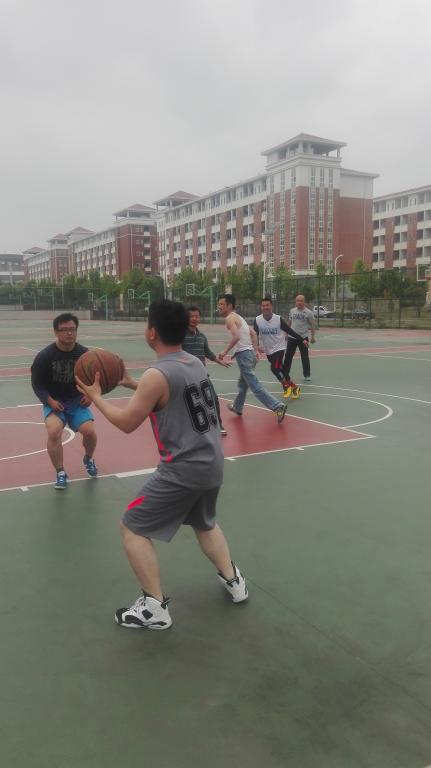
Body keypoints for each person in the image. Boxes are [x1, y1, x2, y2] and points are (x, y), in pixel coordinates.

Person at [76, 299, 247, 631]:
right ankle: (234, 580)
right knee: (205, 523)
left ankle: (154, 607)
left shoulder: (157, 374)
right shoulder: (193, 363)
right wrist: (130, 383)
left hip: (182, 469)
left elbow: (127, 423)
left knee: (132, 527)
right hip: (212, 462)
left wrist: (96, 396)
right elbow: (168, 392)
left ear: (152, 332)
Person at [31, 312, 98, 490]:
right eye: (64, 330)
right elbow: (37, 385)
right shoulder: (45, 356)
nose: (69, 333)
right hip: (54, 402)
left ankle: (88, 458)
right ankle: (60, 472)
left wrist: (90, 396)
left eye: (73, 329)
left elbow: (94, 380)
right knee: (54, 432)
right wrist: (49, 400)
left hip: (77, 401)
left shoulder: (85, 354)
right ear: (56, 332)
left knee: (90, 432)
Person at [217, 294, 287, 423]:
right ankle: (237, 407)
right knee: (243, 384)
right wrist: (255, 351)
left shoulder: (230, 319)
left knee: (254, 385)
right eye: (219, 304)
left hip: (244, 356)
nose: (219, 306)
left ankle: (278, 406)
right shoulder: (239, 317)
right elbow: (253, 333)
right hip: (248, 354)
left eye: (221, 304)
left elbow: (236, 337)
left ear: (229, 305)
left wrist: (224, 351)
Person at [182, 305, 230, 436]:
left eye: (197, 316)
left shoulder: (202, 336)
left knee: (213, 399)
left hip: (202, 375)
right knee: (185, 403)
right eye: (191, 316)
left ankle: (218, 425)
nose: (194, 318)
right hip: (185, 376)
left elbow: (207, 352)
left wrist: (219, 361)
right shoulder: (180, 336)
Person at [254, 297, 308, 400]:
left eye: (267, 305)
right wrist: (256, 346)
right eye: (263, 305)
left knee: (274, 368)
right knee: (281, 370)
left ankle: (286, 386)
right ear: (261, 307)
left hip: (279, 348)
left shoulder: (278, 319)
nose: (265, 307)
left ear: (271, 306)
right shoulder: (257, 320)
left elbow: (289, 330)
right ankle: (295, 387)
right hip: (268, 350)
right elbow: (255, 334)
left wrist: (302, 340)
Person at [285, 294, 316, 382]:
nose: (299, 302)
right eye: (297, 301)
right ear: (295, 302)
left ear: (304, 302)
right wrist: (286, 333)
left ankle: (307, 375)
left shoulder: (309, 312)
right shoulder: (292, 311)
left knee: (305, 357)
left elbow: (312, 325)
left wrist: (313, 337)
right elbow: (289, 322)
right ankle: (285, 374)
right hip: (292, 337)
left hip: (303, 338)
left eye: (301, 301)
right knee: (288, 356)